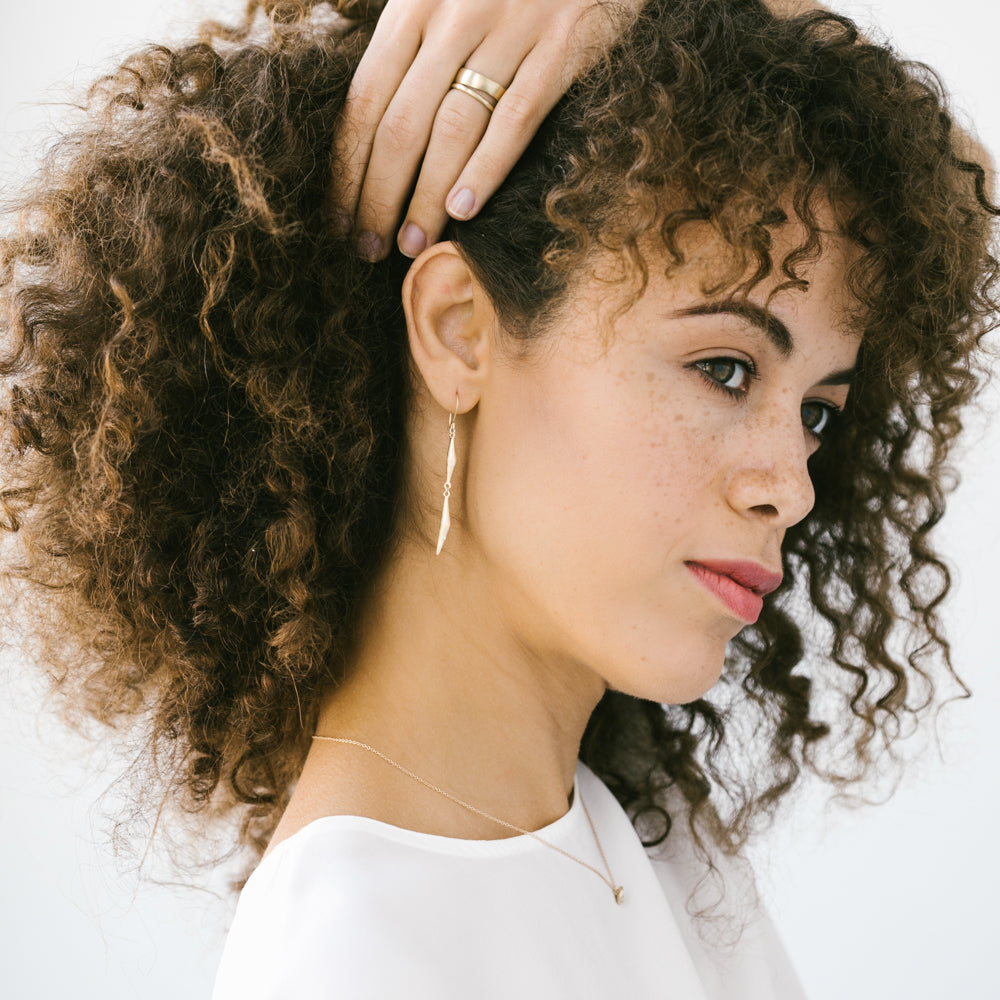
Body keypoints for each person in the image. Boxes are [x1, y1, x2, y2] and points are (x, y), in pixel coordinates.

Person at [0, 0, 994, 996]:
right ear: (458, 331)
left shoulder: (636, 831)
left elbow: (970, 193)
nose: (790, 486)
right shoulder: (354, 959)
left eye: (817, 412)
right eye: (725, 370)